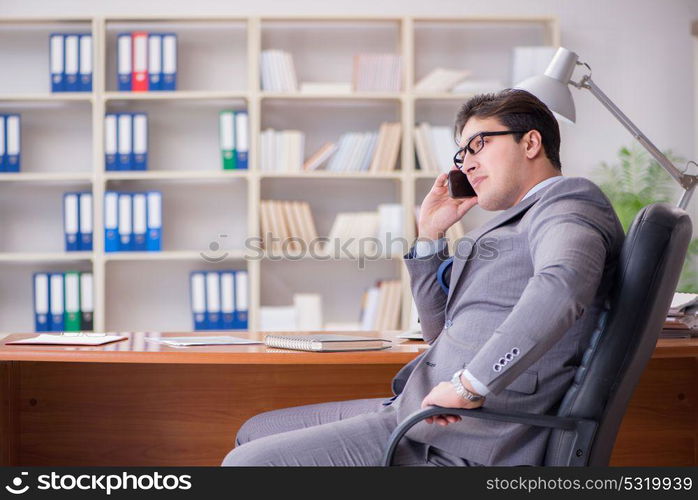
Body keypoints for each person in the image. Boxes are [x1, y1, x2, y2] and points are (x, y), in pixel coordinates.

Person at [221, 89, 624, 466]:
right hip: (420, 407)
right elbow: (438, 330)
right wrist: (430, 234)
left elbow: (562, 286)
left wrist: (471, 385)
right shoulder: (509, 224)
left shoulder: (566, 203)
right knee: (254, 432)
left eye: (479, 144)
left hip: (469, 435)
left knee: (245, 465)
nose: (465, 162)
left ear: (531, 143)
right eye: (462, 151)